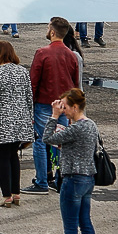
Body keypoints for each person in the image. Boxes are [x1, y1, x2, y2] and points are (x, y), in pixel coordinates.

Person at [43, 88, 99, 234]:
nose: (63, 110)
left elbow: (47, 138)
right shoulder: (91, 125)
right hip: (88, 179)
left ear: (75, 107)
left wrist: (54, 116)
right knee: (86, 223)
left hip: (72, 180)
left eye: (66, 107)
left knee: (70, 226)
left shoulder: (75, 128)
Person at [21, 17, 80, 196]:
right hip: (64, 104)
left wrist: (28, 104)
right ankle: (59, 179)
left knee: (40, 141)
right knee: (61, 142)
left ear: (52, 32)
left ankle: (41, 181)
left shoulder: (42, 53)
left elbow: (33, 81)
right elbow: (75, 83)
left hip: (45, 103)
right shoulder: (71, 55)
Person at [0, 41, 34, 208]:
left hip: (3, 122)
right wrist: (29, 119)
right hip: (21, 120)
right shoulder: (23, 71)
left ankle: (6, 196)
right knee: (13, 157)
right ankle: (16, 193)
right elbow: (29, 98)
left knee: (2, 158)